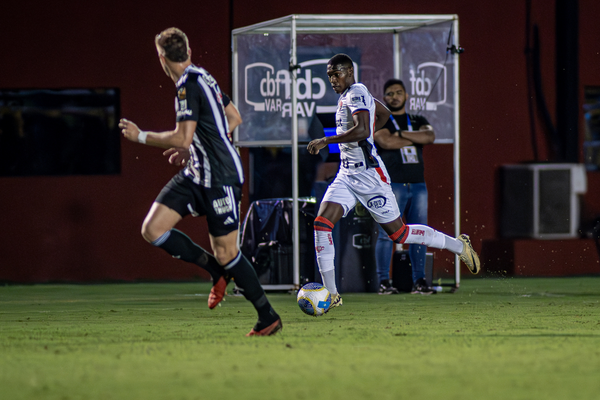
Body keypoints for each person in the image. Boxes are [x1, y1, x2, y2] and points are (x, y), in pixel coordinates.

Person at [118, 27, 281, 336]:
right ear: (189, 52)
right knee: (152, 229)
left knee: (228, 253)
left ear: (161, 58)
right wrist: (192, 147)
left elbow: (184, 133)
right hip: (196, 173)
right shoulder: (203, 76)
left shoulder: (187, 86)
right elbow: (232, 117)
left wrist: (140, 135)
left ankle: (267, 316)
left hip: (221, 176)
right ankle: (214, 270)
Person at [307, 54, 480, 308]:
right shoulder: (351, 95)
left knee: (399, 234)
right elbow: (384, 114)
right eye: (329, 75)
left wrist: (326, 140)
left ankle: (458, 246)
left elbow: (364, 130)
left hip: (369, 176)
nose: (332, 79)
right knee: (322, 224)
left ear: (350, 72)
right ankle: (332, 295)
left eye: (337, 73)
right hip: (346, 175)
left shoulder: (356, 92)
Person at [374, 79, 435, 295]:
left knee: (419, 233)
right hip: (392, 185)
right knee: (386, 234)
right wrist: (413, 138)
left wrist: (399, 135)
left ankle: (419, 280)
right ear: (384, 98)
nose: (395, 96)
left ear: (406, 96)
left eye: (399, 92)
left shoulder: (418, 119)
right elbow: (385, 143)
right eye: (390, 93)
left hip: (418, 185)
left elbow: (429, 136)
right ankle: (383, 281)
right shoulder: (381, 120)